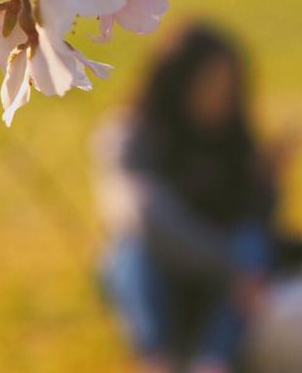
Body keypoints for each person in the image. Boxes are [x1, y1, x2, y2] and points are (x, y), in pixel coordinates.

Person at [95, 22, 279, 373]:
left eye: (229, 86)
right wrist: (228, 268)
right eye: (210, 83)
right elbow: (146, 218)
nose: (220, 96)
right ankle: (157, 360)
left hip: (221, 286)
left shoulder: (235, 138)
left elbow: (257, 220)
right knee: (131, 252)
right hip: (167, 274)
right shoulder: (132, 135)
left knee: (252, 243)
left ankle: (213, 360)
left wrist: (266, 182)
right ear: (178, 82)